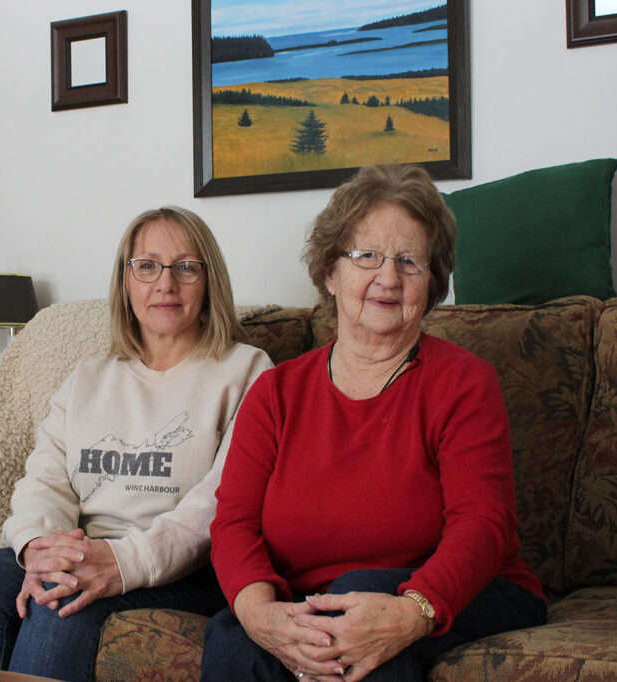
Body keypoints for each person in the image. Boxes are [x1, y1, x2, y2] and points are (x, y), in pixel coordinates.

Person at [202, 165, 547, 682]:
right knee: (232, 636)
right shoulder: (276, 392)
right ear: (329, 273)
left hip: (467, 591)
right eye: (367, 256)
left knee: (355, 618)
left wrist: (412, 611)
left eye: (409, 261)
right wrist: (260, 614)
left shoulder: (464, 383)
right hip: (316, 603)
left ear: (430, 285)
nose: (388, 278)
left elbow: (482, 524)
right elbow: (234, 524)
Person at [0, 206, 273, 681]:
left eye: (185, 267)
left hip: (183, 569)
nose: (165, 284)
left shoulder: (247, 371)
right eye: (147, 266)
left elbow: (219, 505)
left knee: (61, 607)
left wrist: (120, 562)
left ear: (209, 281)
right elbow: (44, 478)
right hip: (84, 548)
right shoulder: (89, 377)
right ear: (125, 281)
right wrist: (42, 548)